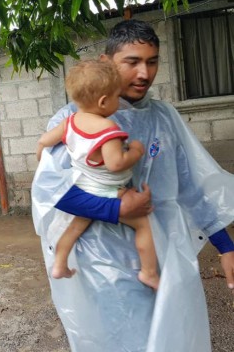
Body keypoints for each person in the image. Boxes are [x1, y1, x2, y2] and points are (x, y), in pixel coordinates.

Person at [31, 19, 234, 352]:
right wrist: (117, 208)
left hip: (164, 254)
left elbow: (190, 186)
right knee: (125, 341)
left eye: (152, 61)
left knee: (172, 339)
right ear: (109, 62)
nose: (144, 73)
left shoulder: (164, 117)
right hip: (103, 259)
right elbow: (52, 192)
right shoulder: (73, 118)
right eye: (133, 62)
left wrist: (225, 244)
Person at [36, 60, 159, 290]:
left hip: (83, 185)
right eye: (116, 96)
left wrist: (41, 161)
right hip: (108, 190)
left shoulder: (69, 122)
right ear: (104, 102)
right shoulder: (109, 130)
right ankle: (149, 273)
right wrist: (135, 151)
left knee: (75, 227)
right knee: (143, 224)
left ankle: (60, 264)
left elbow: (43, 141)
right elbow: (115, 164)